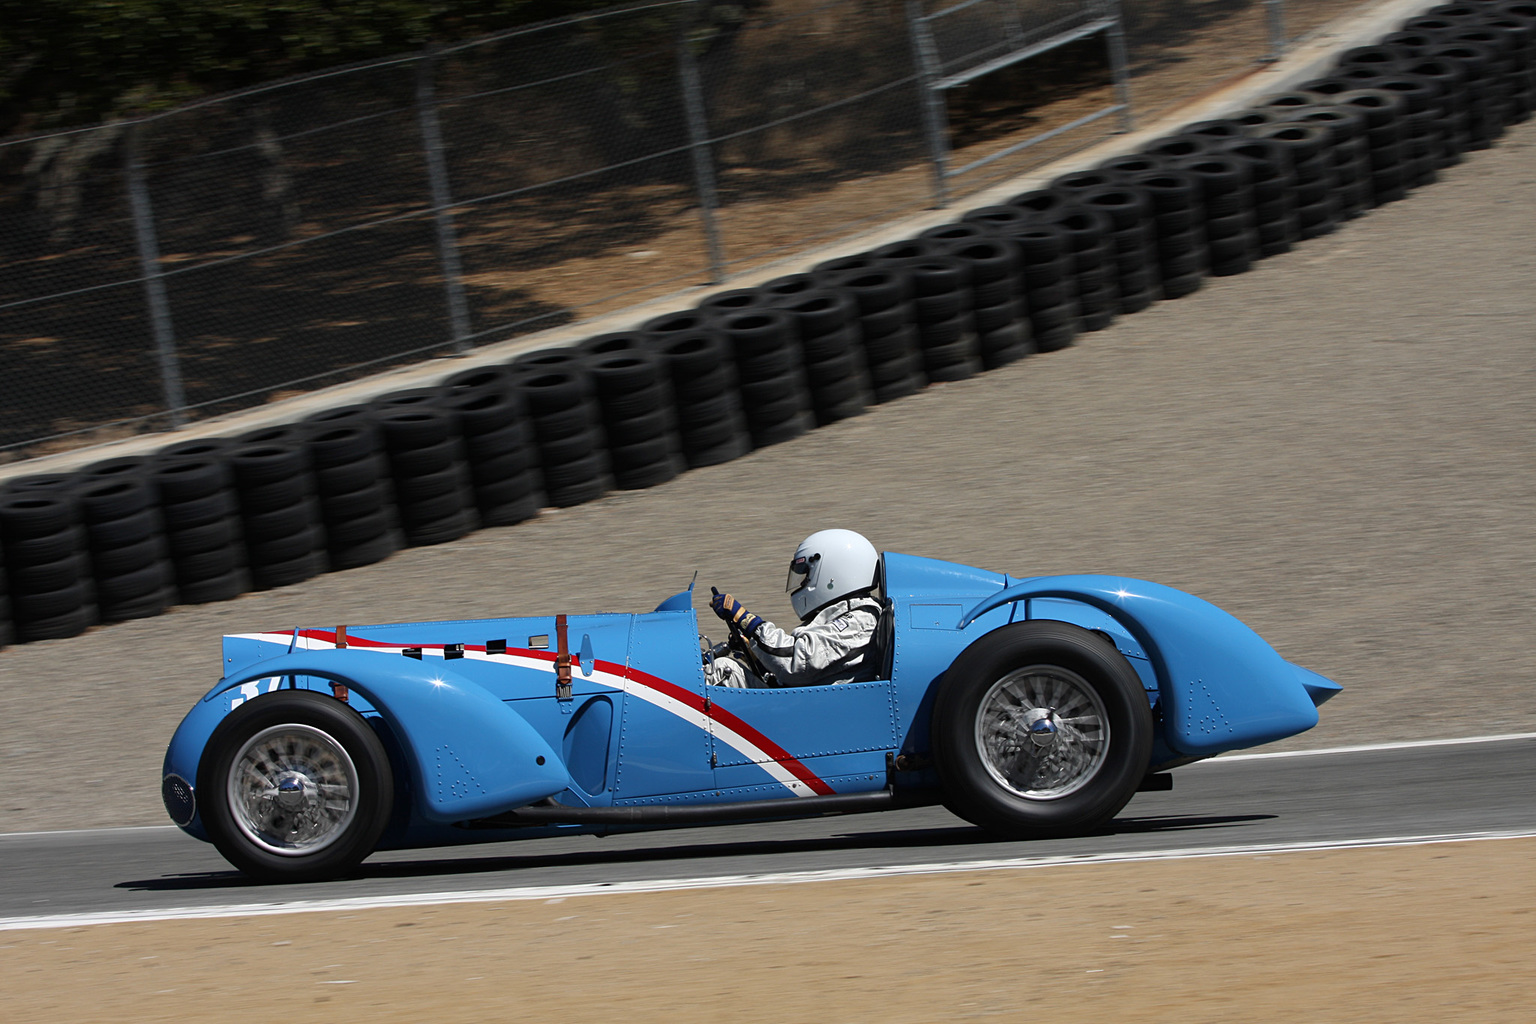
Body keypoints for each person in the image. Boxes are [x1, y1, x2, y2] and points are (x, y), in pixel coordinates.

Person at [707, 529, 884, 688]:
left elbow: (799, 662)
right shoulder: (844, 615)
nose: (802, 583)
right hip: (806, 702)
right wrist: (755, 654)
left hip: (815, 710)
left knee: (722, 671)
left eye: (806, 575)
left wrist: (746, 620)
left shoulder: (862, 620)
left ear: (833, 573)